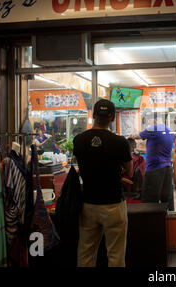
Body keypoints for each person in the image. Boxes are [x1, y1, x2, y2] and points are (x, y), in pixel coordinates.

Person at [73, 99, 133, 267]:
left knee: (85, 254)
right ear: (113, 118)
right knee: (115, 256)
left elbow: (85, 165)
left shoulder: (79, 140)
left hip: (88, 205)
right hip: (113, 204)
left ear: (93, 116)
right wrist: (115, 174)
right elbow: (129, 170)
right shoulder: (120, 142)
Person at [130, 113, 175, 211]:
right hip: (167, 168)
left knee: (149, 200)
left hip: (155, 170)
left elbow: (137, 136)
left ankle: (150, 224)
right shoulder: (168, 130)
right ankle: (168, 224)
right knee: (166, 199)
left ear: (153, 120)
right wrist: (142, 151)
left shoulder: (155, 128)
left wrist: (130, 136)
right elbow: (158, 150)